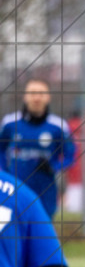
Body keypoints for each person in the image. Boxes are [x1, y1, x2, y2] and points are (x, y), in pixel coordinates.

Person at [0, 79, 77, 219]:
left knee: (42, 227)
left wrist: (54, 166)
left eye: (41, 93)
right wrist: (4, 173)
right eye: (32, 93)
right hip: (16, 188)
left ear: (48, 97)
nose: (36, 98)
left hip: (45, 190)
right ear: (25, 97)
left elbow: (70, 155)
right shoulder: (10, 123)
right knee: (15, 227)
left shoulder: (58, 126)